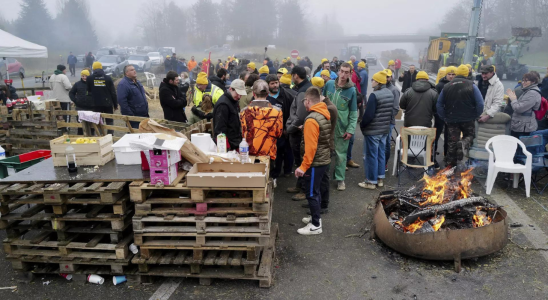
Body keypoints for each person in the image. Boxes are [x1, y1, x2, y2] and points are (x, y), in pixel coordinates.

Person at [296, 86, 331, 235]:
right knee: (317, 190)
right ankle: (315, 218)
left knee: (311, 193)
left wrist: (303, 167)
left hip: (315, 163)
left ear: (308, 101)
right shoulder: (323, 113)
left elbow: (311, 148)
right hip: (324, 159)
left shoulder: (311, 120)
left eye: (304, 101)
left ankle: (315, 225)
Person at [437, 65, 484, 167]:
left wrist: (444, 117)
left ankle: (450, 166)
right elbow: (480, 103)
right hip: (468, 119)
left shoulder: (447, 86)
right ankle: (463, 143)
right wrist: (475, 115)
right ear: (467, 74)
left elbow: (439, 104)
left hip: (452, 119)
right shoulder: (472, 86)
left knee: (452, 142)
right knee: (470, 136)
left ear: (457, 73)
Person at [241, 80, 283, 185]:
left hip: (249, 153)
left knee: (250, 183)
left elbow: (243, 133)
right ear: (268, 94)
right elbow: (279, 134)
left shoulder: (244, 112)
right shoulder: (277, 112)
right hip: (268, 153)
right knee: (266, 184)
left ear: (253, 94)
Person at [323, 62, 357, 191]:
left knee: (341, 154)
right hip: (326, 124)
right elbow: (322, 101)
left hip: (341, 127)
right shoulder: (329, 84)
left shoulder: (351, 90)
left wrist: (350, 130)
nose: (343, 75)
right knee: (325, 152)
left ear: (350, 73)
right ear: (338, 71)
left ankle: (340, 179)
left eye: (346, 72)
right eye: (341, 71)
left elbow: (354, 113)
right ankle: (323, 177)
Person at [358, 70, 394, 189]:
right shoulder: (389, 93)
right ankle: (380, 178)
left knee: (371, 155)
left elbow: (368, 115)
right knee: (381, 154)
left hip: (373, 130)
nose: (371, 82)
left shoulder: (374, 95)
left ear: (378, 82)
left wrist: (362, 125)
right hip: (384, 129)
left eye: (373, 80)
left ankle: (370, 181)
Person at [286, 66, 313, 199]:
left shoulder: (303, 91)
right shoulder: (303, 88)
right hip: (298, 130)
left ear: (296, 75)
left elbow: (300, 116)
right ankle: (299, 185)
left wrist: (289, 129)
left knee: (302, 160)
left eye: (292, 75)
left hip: (298, 132)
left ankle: (304, 190)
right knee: (300, 161)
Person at [266, 74, 297, 181]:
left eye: (276, 83)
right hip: (269, 131)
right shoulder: (264, 96)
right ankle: (275, 172)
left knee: (288, 150)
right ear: (267, 85)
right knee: (276, 151)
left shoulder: (287, 96)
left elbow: (291, 113)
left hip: (284, 129)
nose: (275, 85)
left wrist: (287, 127)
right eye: (272, 83)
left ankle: (288, 171)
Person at [213, 79, 247, 150]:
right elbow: (220, 130)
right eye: (237, 93)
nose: (239, 96)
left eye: (241, 94)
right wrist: (227, 148)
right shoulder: (223, 105)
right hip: (229, 146)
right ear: (231, 89)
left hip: (235, 143)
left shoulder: (234, 101)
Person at [506, 72, 542, 139]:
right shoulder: (527, 91)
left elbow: (519, 108)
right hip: (521, 125)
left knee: (520, 147)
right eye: (523, 80)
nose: (523, 82)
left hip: (523, 128)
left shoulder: (532, 93)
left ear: (533, 82)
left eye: (526, 81)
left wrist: (513, 99)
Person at [433, 66, 456, 168]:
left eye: (453, 74)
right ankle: (433, 158)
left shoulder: (457, 85)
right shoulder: (439, 86)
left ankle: (447, 157)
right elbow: (436, 102)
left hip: (451, 116)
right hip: (440, 116)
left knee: (450, 138)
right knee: (436, 137)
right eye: (449, 74)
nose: (451, 76)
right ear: (446, 75)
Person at [86, 62, 118, 131]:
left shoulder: (89, 78)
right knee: (109, 120)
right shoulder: (108, 78)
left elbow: (88, 91)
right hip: (107, 103)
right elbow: (113, 92)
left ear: (93, 68)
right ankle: (110, 135)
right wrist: (115, 104)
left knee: (98, 120)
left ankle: (100, 136)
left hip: (95, 103)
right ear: (101, 68)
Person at [383, 69, 401, 171]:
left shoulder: (394, 90)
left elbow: (395, 108)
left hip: (388, 122)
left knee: (386, 143)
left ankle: (385, 163)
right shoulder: (378, 88)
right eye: (384, 76)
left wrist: (388, 119)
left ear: (391, 78)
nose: (386, 78)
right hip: (379, 122)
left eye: (388, 77)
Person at [70, 69, 94, 135]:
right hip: (80, 107)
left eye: (86, 76)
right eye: (83, 76)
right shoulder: (77, 84)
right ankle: (80, 136)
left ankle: (92, 136)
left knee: (91, 124)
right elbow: (71, 93)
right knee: (80, 125)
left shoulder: (92, 84)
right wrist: (75, 100)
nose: (84, 77)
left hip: (91, 107)